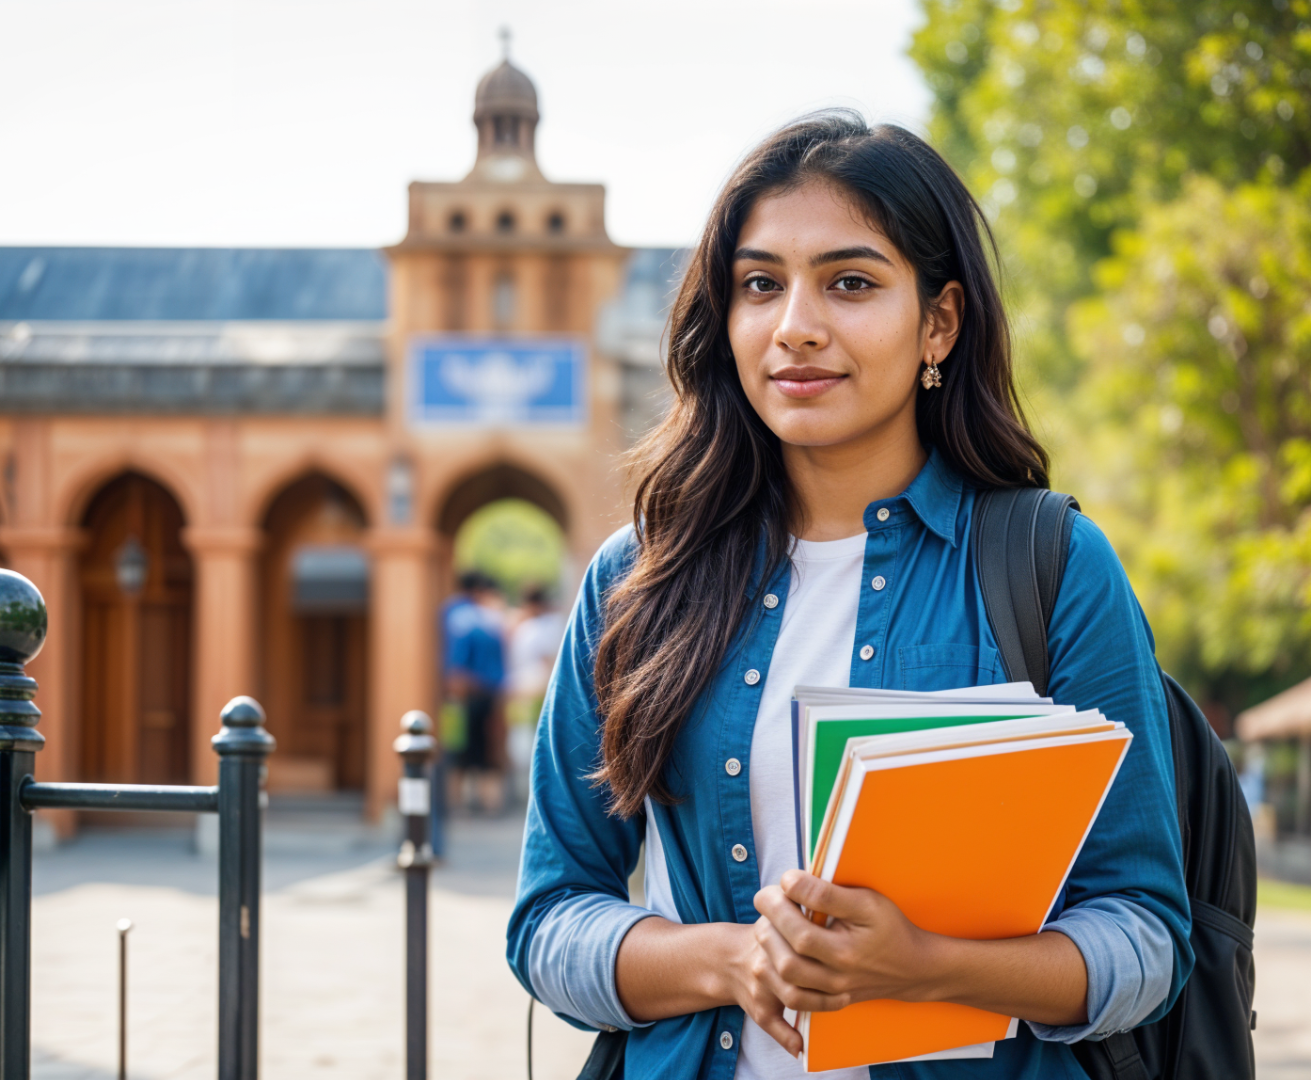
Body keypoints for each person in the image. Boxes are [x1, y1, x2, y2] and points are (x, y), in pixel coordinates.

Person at [507, 111, 1189, 1080]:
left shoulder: (1054, 567)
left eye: (851, 283)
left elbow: (1146, 940)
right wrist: (737, 960)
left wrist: (929, 968)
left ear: (939, 322)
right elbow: (547, 922)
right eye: (760, 285)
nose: (796, 328)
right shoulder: (635, 579)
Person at [445, 571, 507, 816]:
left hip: (463, 693)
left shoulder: (456, 615)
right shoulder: (492, 619)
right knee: (487, 750)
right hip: (491, 693)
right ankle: (489, 802)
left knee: (458, 749)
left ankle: (456, 803)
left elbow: (456, 664)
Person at [504, 583, 565, 804]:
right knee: (535, 741)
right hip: (536, 690)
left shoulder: (523, 628)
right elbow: (547, 662)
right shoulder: (543, 627)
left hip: (517, 690)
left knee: (522, 739)